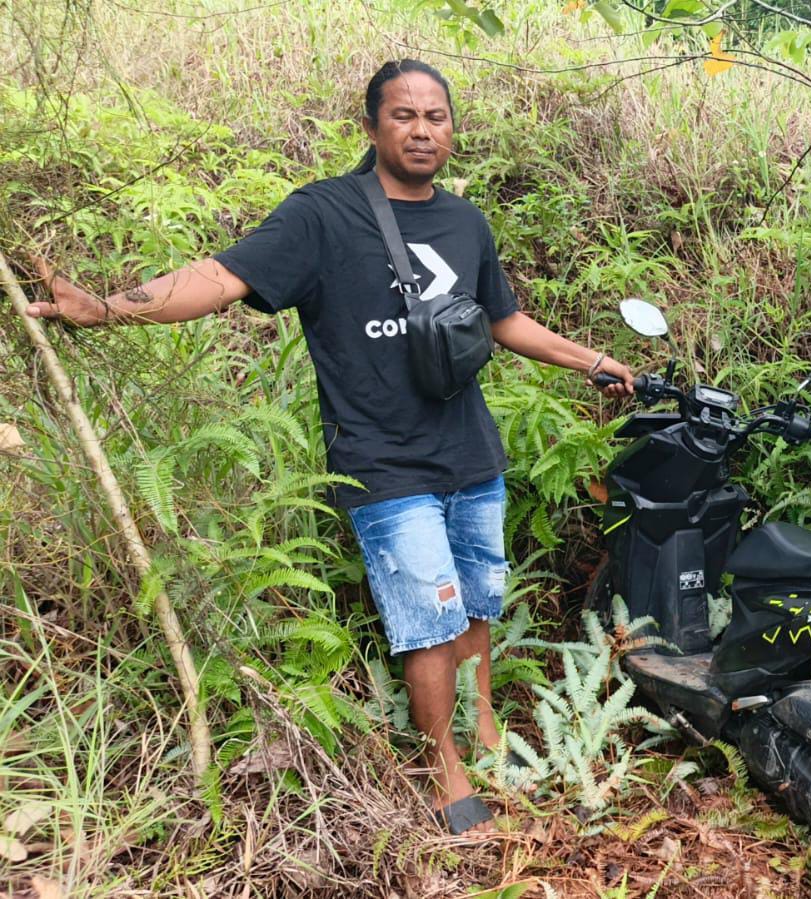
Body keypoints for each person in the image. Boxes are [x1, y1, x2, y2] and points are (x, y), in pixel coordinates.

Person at [25, 58, 633, 834]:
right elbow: (220, 276)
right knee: (428, 617)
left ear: (453, 129)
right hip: (382, 459)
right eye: (404, 115)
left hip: (469, 451)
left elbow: (502, 320)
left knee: (477, 601)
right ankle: (443, 769)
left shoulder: (465, 223)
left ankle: (484, 732)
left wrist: (592, 359)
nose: (422, 130)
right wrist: (107, 307)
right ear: (371, 125)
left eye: (436, 116)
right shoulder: (323, 215)